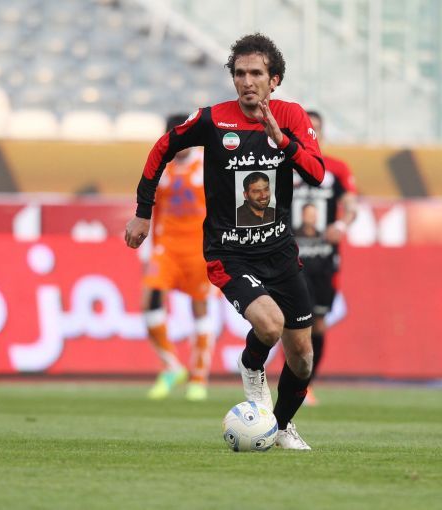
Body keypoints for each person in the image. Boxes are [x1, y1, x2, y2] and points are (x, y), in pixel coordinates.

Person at [125, 33, 325, 450]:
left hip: (280, 252)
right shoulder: (213, 119)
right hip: (230, 253)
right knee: (269, 325)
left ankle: (280, 426)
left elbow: (316, 173)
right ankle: (251, 366)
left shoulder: (290, 116)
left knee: (303, 358)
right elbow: (162, 148)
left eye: (256, 74)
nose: (247, 81)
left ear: (275, 80)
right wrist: (144, 211)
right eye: (240, 73)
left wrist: (282, 139)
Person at [140, 114, 216, 402]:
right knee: (149, 301)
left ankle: (198, 377)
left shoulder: (208, 164)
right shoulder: (160, 166)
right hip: (167, 248)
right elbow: (151, 208)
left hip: (199, 248)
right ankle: (172, 367)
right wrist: (148, 248)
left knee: (200, 308)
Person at [292, 110, 358, 406]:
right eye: (307, 129)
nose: (312, 134)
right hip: (290, 257)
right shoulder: (283, 164)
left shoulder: (336, 169)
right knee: (290, 322)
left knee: (317, 324)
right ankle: (289, 380)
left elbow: (351, 205)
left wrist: (341, 225)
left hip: (323, 258)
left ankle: (305, 384)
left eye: (316, 129)